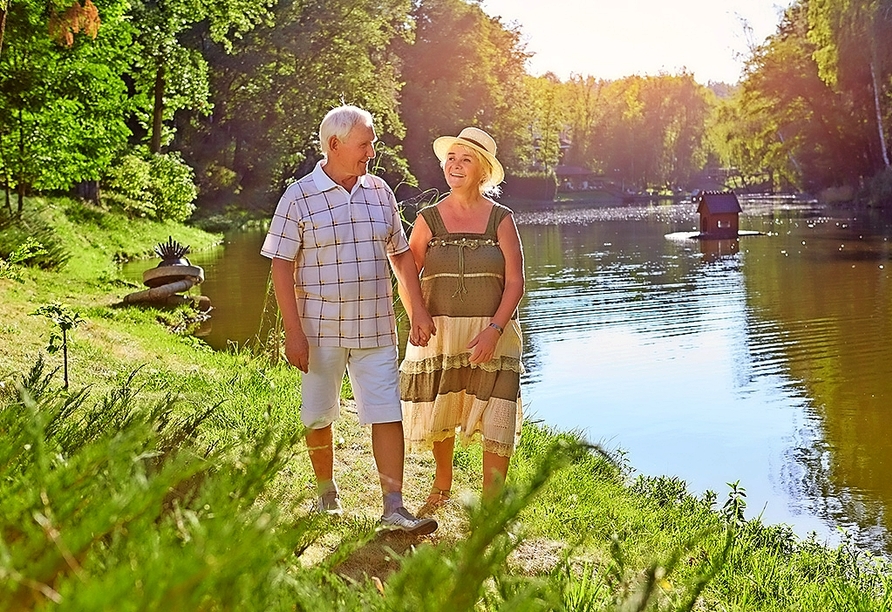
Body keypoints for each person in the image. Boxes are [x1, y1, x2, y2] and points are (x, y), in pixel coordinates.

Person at [261, 105, 438, 535]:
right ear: (335, 144)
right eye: (365, 143)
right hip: (319, 328)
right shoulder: (299, 196)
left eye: (372, 142)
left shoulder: (380, 191)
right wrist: (294, 332)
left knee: (386, 412)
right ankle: (327, 497)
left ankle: (394, 508)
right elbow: (281, 266)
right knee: (318, 414)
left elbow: (399, 255)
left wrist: (417, 310)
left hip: (375, 324)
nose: (372, 151)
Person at [398, 127, 525, 516]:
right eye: (451, 158)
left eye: (465, 159)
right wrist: (416, 313)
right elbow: (406, 272)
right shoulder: (428, 220)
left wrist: (494, 330)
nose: (455, 165)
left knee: (498, 413)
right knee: (444, 406)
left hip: (493, 335)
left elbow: (517, 281)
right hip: (442, 333)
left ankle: (490, 505)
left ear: (482, 170)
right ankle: (442, 485)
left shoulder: (501, 219)